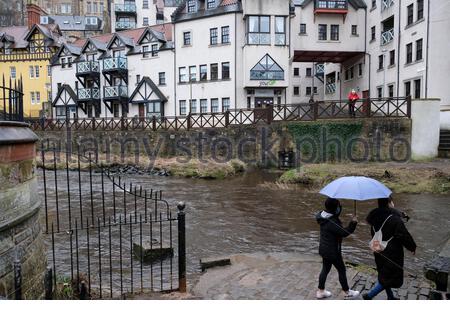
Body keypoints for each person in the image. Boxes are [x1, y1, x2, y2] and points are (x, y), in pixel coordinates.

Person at [363, 197, 417, 300]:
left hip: (378, 248)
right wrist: (412, 247)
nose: (393, 203)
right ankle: (369, 296)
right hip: (392, 253)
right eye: (391, 201)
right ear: (389, 203)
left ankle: (390, 297)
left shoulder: (374, 217)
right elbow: (403, 235)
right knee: (389, 278)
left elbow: (373, 234)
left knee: (384, 274)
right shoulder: (394, 219)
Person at [315, 198, 360, 299]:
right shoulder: (332, 221)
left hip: (324, 249)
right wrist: (353, 222)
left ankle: (320, 291)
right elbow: (344, 233)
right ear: (335, 208)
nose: (340, 208)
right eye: (339, 206)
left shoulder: (323, 216)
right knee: (341, 270)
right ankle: (347, 292)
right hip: (332, 251)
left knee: (325, 269)